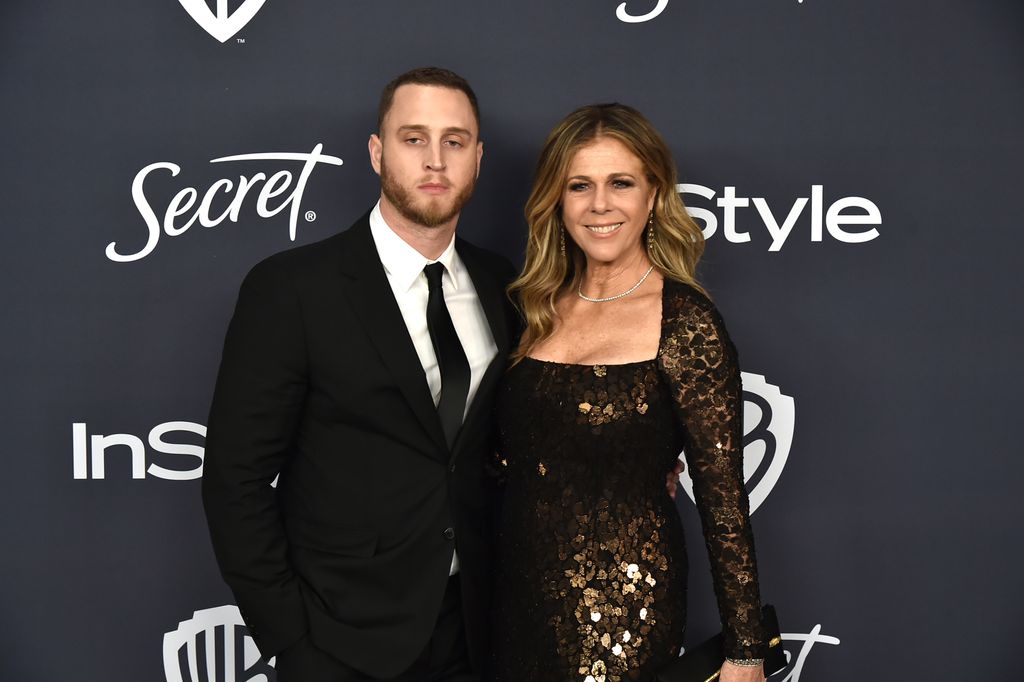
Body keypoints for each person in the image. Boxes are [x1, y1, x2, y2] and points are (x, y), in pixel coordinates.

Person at [201, 67, 517, 682]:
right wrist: (292, 641)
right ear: (377, 152)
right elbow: (233, 483)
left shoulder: (503, 283)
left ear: (478, 158)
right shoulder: (292, 289)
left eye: (454, 141)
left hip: (473, 633)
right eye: (412, 138)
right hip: (339, 640)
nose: (435, 160)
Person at [491, 104, 768, 682]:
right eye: (579, 186)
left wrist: (745, 654)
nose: (599, 205)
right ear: (557, 200)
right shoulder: (533, 307)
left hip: (623, 613)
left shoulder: (686, 321)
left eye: (620, 183)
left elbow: (723, 501)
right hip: (514, 603)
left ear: (653, 195)